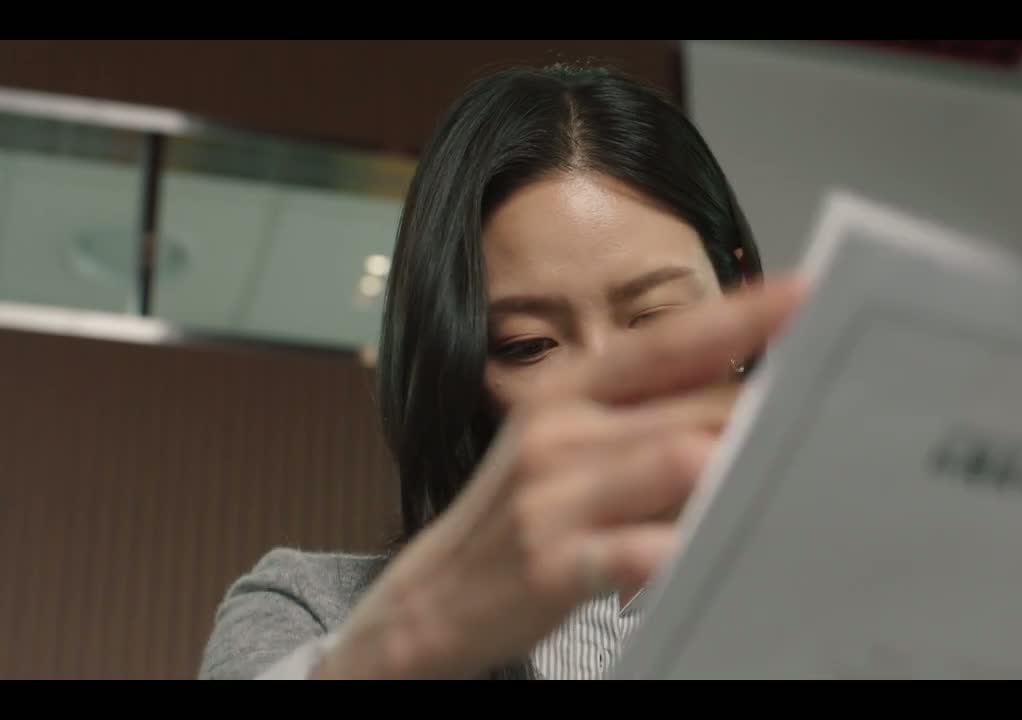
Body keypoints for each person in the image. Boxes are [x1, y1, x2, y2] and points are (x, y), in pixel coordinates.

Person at [197, 63, 806, 680]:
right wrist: (409, 641)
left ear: (738, 294)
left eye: (655, 318)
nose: (607, 387)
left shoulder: (838, 601)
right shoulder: (311, 613)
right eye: (529, 345)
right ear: (459, 370)